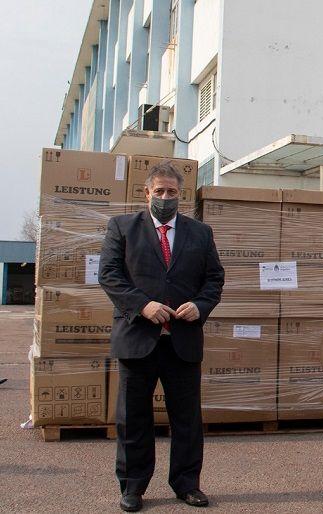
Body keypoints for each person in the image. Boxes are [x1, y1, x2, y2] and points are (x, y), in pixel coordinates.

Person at [99, 162, 224, 511]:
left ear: (180, 195)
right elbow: (109, 275)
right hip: (138, 339)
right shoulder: (123, 227)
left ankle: (187, 484)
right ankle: (132, 487)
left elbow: (214, 279)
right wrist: (143, 305)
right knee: (133, 418)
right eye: (160, 191)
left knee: (187, 419)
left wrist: (200, 305)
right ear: (147, 193)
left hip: (182, 342)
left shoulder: (200, 233)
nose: (166, 198)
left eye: (172, 192)